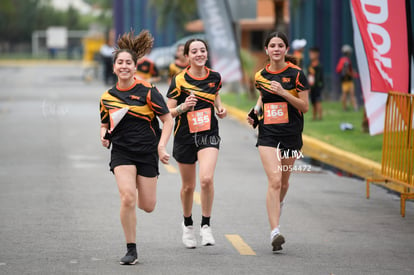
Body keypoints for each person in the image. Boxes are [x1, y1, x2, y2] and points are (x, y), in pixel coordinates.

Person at [99, 30, 173, 265]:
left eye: (128, 62)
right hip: (122, 151)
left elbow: (168, 120)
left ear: (135, 66)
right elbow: (104, 123)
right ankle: (131, 249)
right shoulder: (107, 98)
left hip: (147, 152)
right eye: (119, 62)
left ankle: (141, 198)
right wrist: (103, 135)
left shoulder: (148, 92)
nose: (124, 66)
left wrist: (161, 146)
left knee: (147, 206)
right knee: (128, 198)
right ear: (114, 68)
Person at [247, 31, 309, 252]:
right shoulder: (260, 75)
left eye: (280, 45)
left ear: (286, 49)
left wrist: (284, 93)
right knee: (274, 180)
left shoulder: (297, 74)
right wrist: (254, 113)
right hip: (268, 134)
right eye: (272, 45)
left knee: (283, 183)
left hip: (291, 133)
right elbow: (263, 96)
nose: (276, 49)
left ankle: (278, 205)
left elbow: (304, 107)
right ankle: (275, 231)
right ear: (266, 50)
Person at [166, 38, 227, 249]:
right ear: (187, 56)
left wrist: (220, 108)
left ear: (207, 54)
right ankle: (188, 224)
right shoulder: (179, 80)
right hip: (184, 136)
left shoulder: (215, 77)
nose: (199, 54)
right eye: (194, 51)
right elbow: (167, 113)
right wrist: (183, 107)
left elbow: (215, 95)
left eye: (202, 50)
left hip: (208, 133)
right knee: (188, 186)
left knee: (207, 179)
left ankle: (206, 225)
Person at [336, 44, 358, 111]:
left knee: (344, 95)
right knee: (352, 95)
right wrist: (354, 75)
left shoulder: (341, 60)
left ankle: (344, 107)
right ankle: (355, 107)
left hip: (343, 81)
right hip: (348, 80)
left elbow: (338, 70)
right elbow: (348, 71)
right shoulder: (347, 61)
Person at [307, 47, 324, 120]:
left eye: (312, 53)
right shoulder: (309, 65)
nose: (311, 55)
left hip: (317, 86)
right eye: (310, 53)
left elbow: (320, 78)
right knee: (313, 102)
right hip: (311, 87)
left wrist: (319, 86)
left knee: (318, 101)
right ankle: (314, 117)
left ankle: (320, 117)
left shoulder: (319, 66)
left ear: (317, 54)